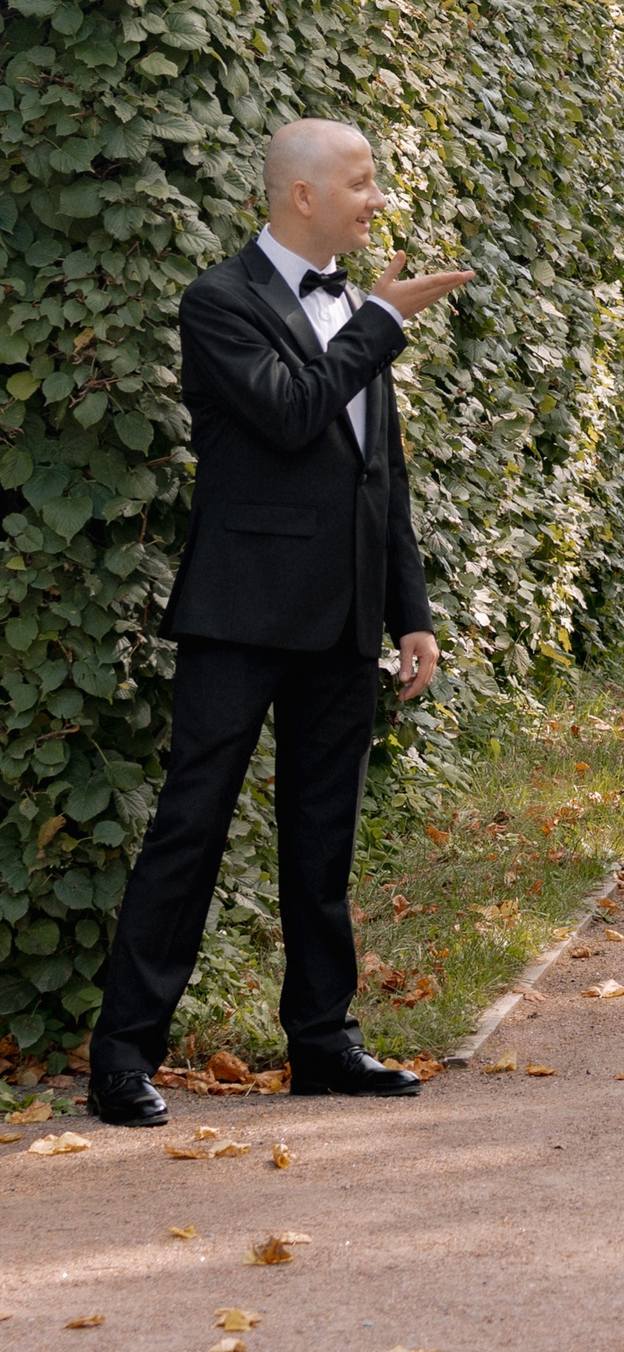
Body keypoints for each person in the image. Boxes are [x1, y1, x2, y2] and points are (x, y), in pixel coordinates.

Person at [86, 120, 475, 1127]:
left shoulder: (354, 307)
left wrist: (411, 612)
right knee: (191, 830)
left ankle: (323, 1041)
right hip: (241, 613)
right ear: (302, 195)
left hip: (344, 614)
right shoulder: (219, 302)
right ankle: (123, 1054)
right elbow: (295, 411)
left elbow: (376, 474)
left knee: (321, 840)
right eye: (361, 182)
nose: (378, 198)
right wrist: (380, 322)